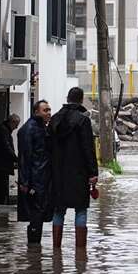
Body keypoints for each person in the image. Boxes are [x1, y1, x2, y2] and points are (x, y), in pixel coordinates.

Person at [48, 87, 99, 249]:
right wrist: (93, 173)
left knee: (58, 210)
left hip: (57, 173)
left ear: (67, 98)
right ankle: (80, 253)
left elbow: (47, 147)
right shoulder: (83, 121)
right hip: (78, 173)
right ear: (81, 99)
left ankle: (56, 249)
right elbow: (88, 149)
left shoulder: (54, 119)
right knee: (81, 210)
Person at [17, 100, 53, 245]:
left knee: (39, 213)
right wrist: (25, 182)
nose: (49, 113)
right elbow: (25, 157)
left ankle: (34, 252)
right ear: (36, 112)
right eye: (45, 110)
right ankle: (33, 248)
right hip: (35, 180)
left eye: (49, 110)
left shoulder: (41, 127)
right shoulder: (30, 129)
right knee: (36, 213)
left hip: (42, 178)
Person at [0, 113, 20, 204]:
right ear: (12, 122)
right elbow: (6, 148)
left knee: (2, 192)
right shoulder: (3, 130)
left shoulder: (3, 130)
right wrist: (16, 159)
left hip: (1, 166)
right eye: (16, 125)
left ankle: (0, 211)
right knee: (1, 192)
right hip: (0, 167)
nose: (16, 127)